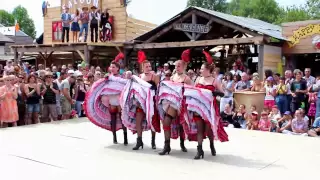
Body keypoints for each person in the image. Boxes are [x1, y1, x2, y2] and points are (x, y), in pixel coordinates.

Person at [191, 58, 228, 159]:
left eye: (202, 69)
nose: (200, 70)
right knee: (199, 129)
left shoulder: (215, 81)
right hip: (198, 107)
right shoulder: (198, 79)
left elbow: (223, 93)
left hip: (209, 108)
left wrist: (216, 93)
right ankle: (199, 150)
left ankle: (211, 144)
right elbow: (193, 90)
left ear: (208, 70)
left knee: (208, 130)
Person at [158, 49, 193, 156]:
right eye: (175, 66)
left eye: (178, 66)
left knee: (181, 125)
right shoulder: (173, 77)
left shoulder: (187, 78)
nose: (176, 68)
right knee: (166, 121)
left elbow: (192, 91)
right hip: (173, 103)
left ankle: (182, 143)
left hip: (182, 103)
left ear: (183, 67)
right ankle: (166, 146)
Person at [128, 51, 161, 150]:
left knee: (153, 121)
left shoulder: (154, 76)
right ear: (142, 67)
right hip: (141, 102)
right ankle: (139, 141)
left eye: (149, 66)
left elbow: (159, 88)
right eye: (146, 66)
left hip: (151, 102)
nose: (148, 68)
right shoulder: (140, 76)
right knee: (138, 121)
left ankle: (153, 141)